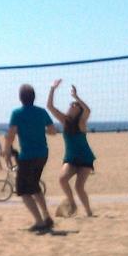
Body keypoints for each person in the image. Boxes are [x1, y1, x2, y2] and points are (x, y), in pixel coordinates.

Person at [3, 84, 56, 231]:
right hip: (42, 154)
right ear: (34, 97)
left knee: (24, 191)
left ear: (20, 98)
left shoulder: (17, 113)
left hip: (27, 156)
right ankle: (46, 217)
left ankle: (39, 222)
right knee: (35, 186)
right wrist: (38, 129)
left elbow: (11, 135)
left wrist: (6, 151)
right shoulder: (41, 112)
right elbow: (53, 131)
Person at [46, 80, 95, 218]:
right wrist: (52, 88)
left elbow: (88, 110)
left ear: (79, 111)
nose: (72, 106)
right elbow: (49, 106)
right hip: (71, 158)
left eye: (75, 106)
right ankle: (72, 204)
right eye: (71, 104)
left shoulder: (81, 122)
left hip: (85, 158)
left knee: (79, 187)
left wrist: (76, 97)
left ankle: (89, 212)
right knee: (62, 179)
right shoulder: (64, 120)